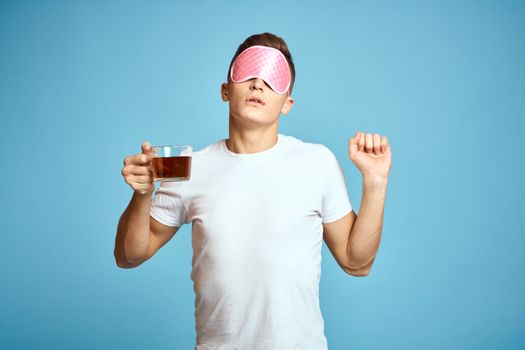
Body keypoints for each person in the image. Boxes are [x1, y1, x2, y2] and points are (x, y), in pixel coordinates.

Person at [115, 32, 392, 350]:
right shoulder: (189, 168)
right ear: (225, 90)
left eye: (273, 77)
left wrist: (375, 183)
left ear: (287, 103)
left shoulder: (316, 163)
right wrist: (141, 194)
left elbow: (357, 263)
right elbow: (128, 255)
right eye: (247, 72)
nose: (259, 84)